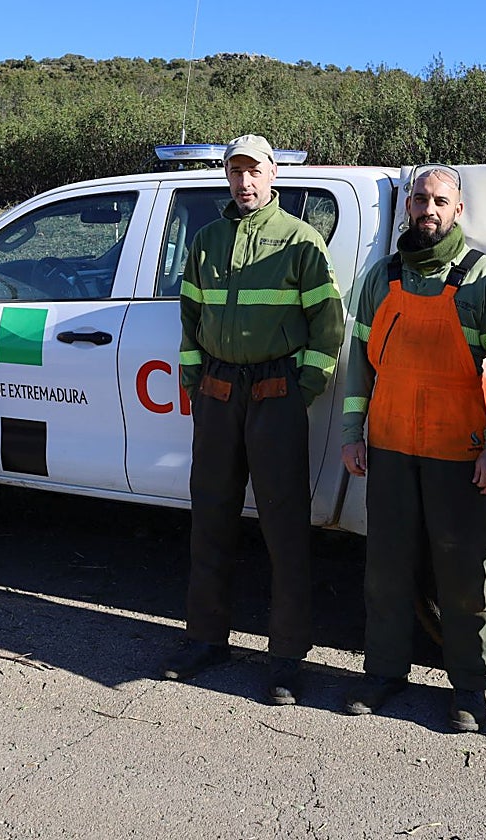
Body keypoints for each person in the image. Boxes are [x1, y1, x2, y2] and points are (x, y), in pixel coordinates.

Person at [161, 134, 344, 704]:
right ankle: (205, 639)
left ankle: (286, 657)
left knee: (283, 528)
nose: (244, 182)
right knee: (209, 519)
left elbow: (328, 325)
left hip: (275, 396)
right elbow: (190, 319)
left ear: (273, 176)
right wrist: (196, 383)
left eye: (254, 172)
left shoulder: (300, 241)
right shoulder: (207, 240)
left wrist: (302, 387)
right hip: (217, 395)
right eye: (235, 172)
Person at [339, 164, 486, 732]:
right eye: (420, 199)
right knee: (386, 571)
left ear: (458, 210)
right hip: (390, 446)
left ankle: (470, 689)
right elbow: (357, 369)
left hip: (459, 453)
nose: (428, 209)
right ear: (408, 206)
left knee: (465, 576)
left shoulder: (485, 280)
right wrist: (352, 433)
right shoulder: (380, 278)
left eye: (440, 201)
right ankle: (384, 673)